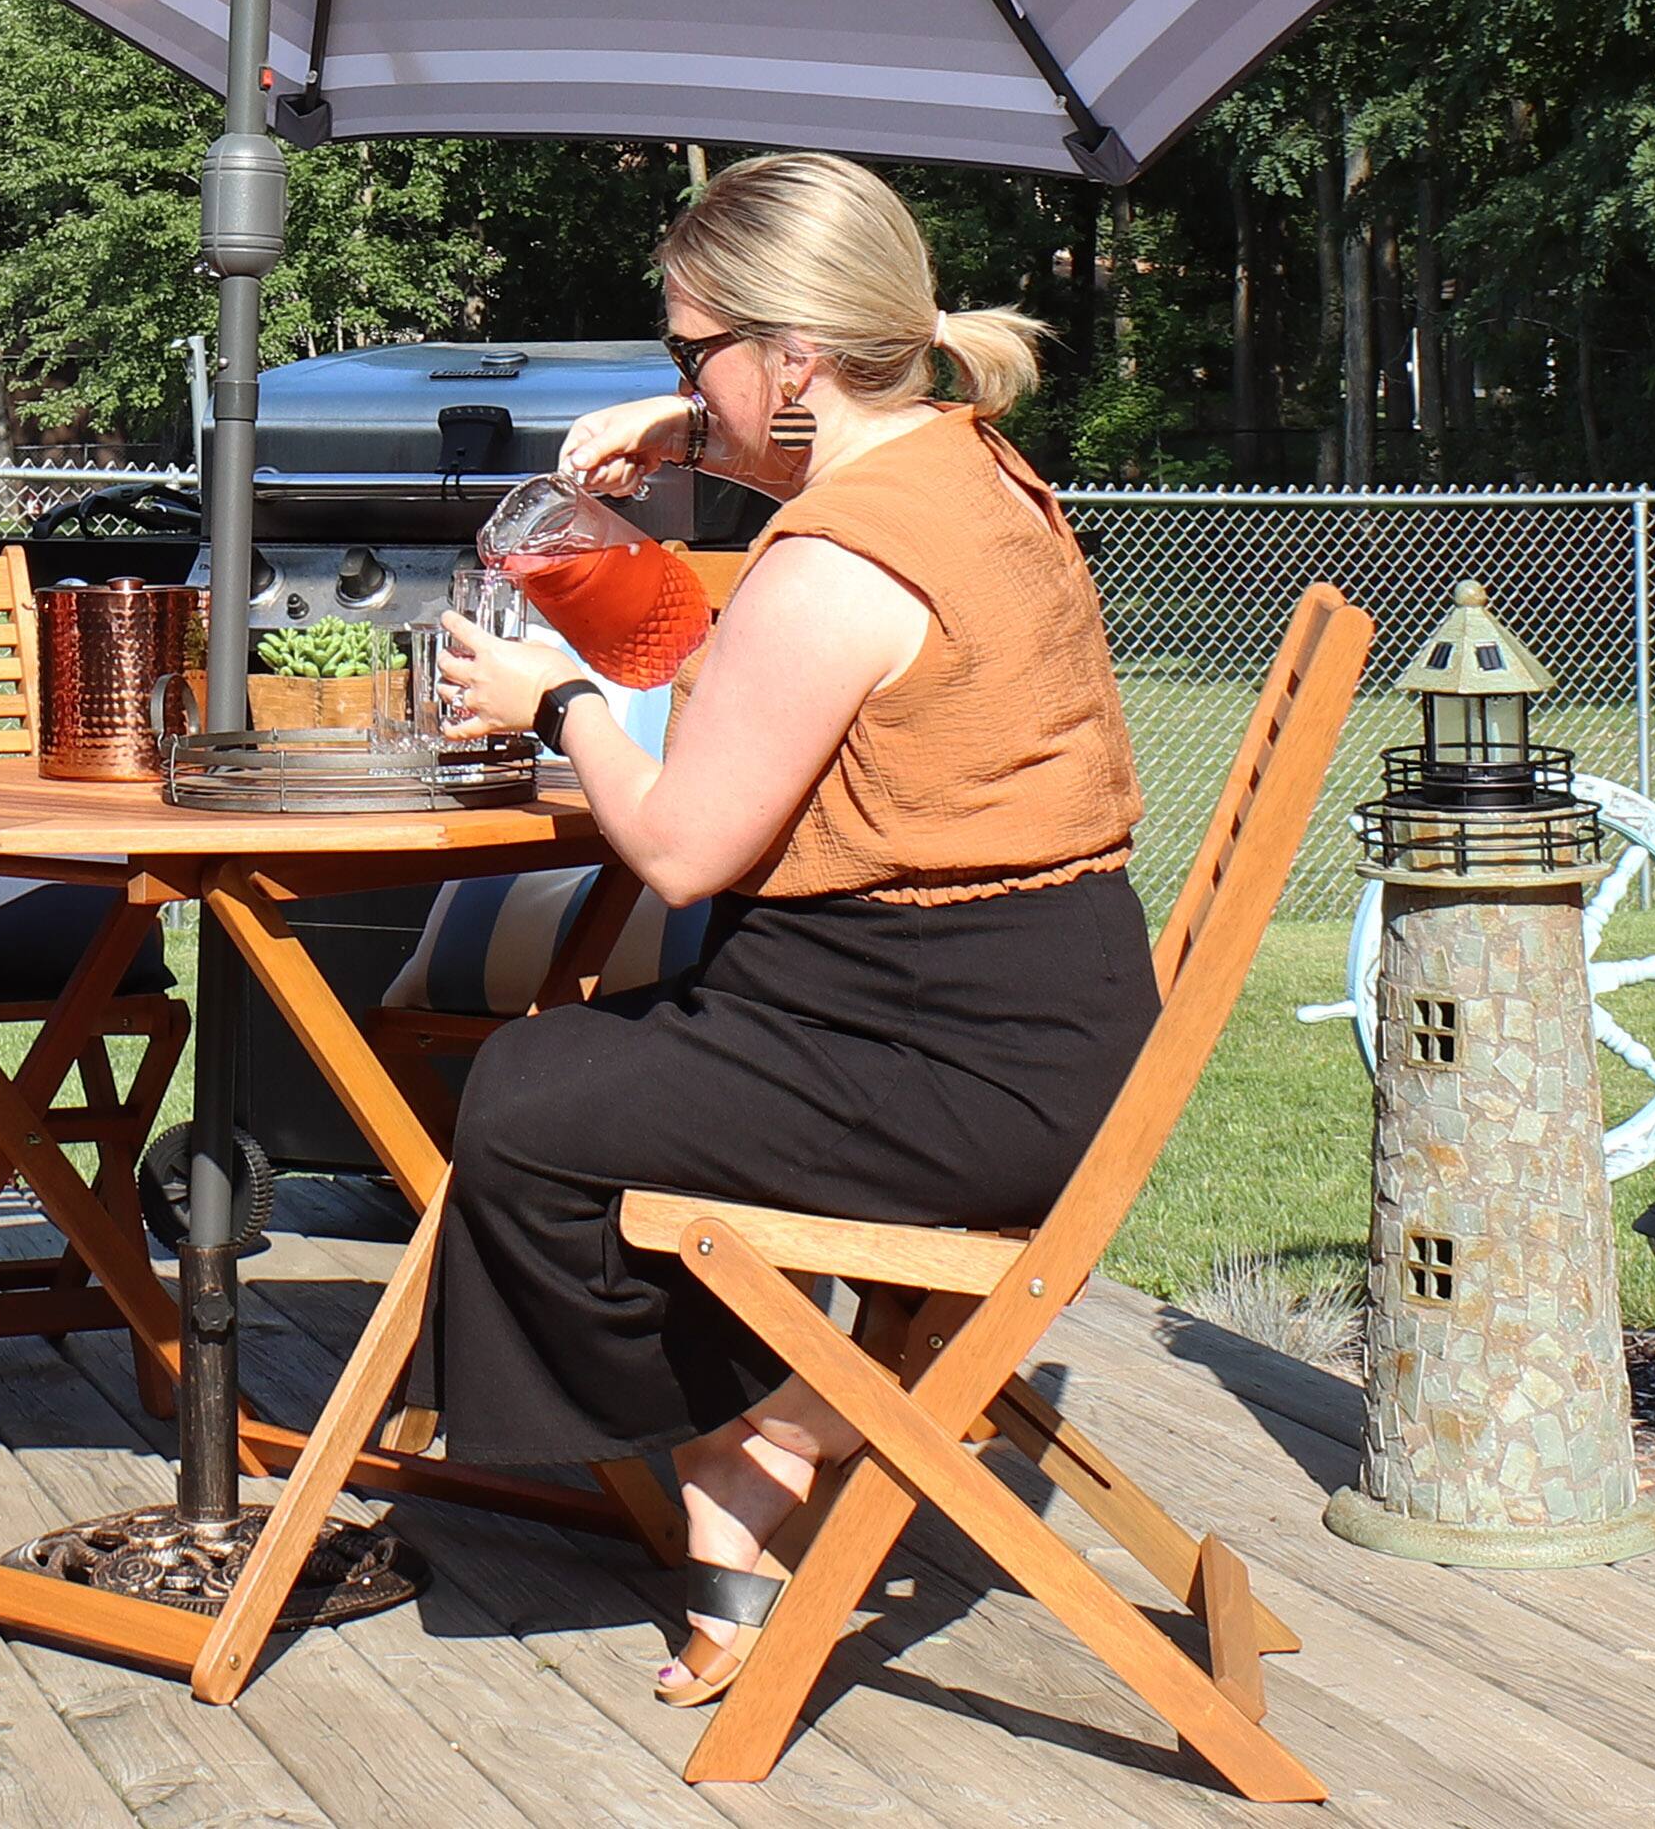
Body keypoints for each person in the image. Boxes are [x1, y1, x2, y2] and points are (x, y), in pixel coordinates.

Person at [432, 151, 1155, 1707]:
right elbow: (820, 477)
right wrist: (693, 431)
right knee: (605, 1067)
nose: (675, 378)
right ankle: (802, 1414)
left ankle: (758, 1433)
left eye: (692, 351)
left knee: (528, 1104)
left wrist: (554, 702)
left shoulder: (833, 564)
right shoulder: (969, 467)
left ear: (794, 357)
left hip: (948, 1067)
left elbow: (686, 849)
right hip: (1037, 1014)